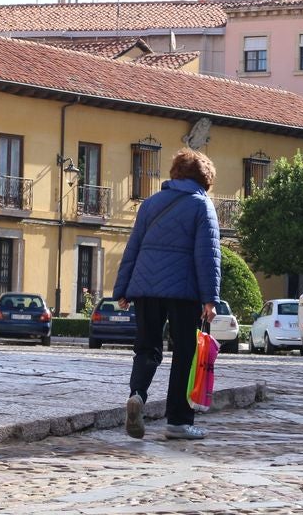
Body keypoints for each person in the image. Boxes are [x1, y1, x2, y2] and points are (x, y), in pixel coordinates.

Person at [113, 148, 221, 441]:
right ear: (205, 178)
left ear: (175, 173)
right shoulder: (201, 205)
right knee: (184, 353)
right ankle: (178, 421)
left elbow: (133, 246)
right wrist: (210, 299)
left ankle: (137, 395)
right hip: (183, 291)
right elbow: (207, 256)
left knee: (147, 347)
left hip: (146, 287)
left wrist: (122, 289)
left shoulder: (151, 203)